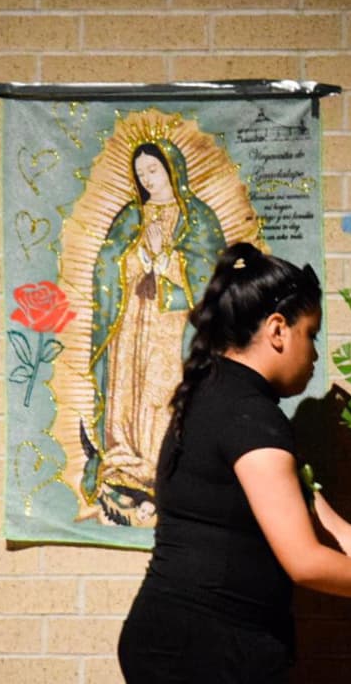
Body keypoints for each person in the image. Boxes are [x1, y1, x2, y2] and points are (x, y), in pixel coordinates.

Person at [117, 243, 351, 683]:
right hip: (203, 651)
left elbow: (331, 530)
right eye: (310, 334)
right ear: (277, 330)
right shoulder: (248, 416)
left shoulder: (225, 398)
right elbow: (305, 561)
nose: (313, 354)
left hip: (186, 641)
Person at [86, 142, 227, 523]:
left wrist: (166, 259)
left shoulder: (197, 217)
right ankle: (127, 464)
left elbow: (211, 272)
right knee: (130, 388)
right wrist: (140, 257)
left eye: (154, 169)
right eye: (142, 172)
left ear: (172, 169)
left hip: (173, 320)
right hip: (133, 317)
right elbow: (107, 263)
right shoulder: (131, 216)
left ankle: (161, 465)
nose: (148, 178)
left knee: (162, 388)